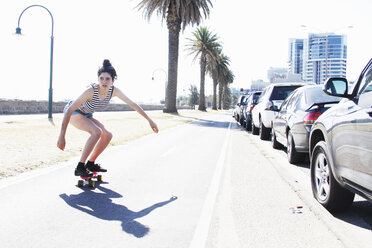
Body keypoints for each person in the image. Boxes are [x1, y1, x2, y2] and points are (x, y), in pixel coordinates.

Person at [57, 59, 159, 177]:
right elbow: (69, 110)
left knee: (107, 134)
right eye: (101, 78)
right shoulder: (91, 91)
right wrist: (62, 136)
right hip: (73, 111)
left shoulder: (113, 91)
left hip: (87, 114)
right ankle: (80, 167)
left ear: (113, 80)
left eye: (107, 79)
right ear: (98, 79)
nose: (104, 81)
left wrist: (150, 120)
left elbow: (132, 104)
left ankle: (90, 163)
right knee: (96, 132)